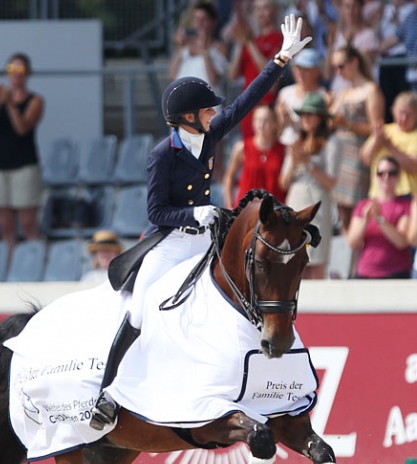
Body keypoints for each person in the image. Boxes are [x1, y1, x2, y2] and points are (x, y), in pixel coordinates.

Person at [89, 13, 312, 430]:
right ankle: (106, 392)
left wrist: (280, 60)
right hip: (171, 240)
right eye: (207, 109)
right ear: (188, 117)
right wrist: (192, 213)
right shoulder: (162, 154)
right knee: (138, 310)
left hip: (205, 238)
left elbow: (246, 102)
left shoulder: (210, 134)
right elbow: (156, 213)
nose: (215, 113)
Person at [0, 52, 44, 249]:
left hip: (23, 164)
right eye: (11, 69)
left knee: (27, 222)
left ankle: (34, 261)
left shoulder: (35, 100)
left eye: (20, 69)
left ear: (28, 73)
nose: (15, 74)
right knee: (5, 224)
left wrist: (10, 104)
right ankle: (8, 268)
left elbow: (22, 128)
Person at [279, 92, 338, 279]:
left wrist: (308, 164)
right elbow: (283, 182)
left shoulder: (331, 142)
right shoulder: (296, 142)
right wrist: (295, 163)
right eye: (303, 114)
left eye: (310, 114)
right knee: (295, 259)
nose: (305, 118)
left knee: (317, 259)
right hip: (295, 201)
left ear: (320, 117)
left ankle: (319, 306)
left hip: (317, 202)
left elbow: (331, 181)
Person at [329, 44, 385, 233]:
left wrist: (347, 124)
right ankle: (348, 256)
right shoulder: (345, 92)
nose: (338, 71)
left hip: (358, 156)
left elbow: (376, 127)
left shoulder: (371, 90)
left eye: (341, 66)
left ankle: (356, 259)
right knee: (342, 211)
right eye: (335, 67)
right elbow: (331, 120)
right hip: (341, 156)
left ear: (354, 63)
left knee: (357, 210)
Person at [347, 156, 412, 279]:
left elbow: (402, 242)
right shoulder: (363, 205)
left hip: (396, 272)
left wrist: (380, 219)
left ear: (398, 176)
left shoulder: (405, 205)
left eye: (391, 173)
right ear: (375, 176)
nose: (386, 177)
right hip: (365, 272)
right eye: (381, 173)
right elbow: (352, 243)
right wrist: (365, 221)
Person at [227, 0, 284, 139]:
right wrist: (242, 44)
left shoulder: (280, 38)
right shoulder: (252, 40)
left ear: (275, 11)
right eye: (258, 9)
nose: (261, 13)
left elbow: (270, 72)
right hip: (248, 106)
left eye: (265, 8)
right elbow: (232, 75)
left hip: (268, 106)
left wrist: (249, 43)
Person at [222, 105, 286, 209]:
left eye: (266, 120)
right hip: (246, 211)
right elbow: (229, 177)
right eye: (258, 120)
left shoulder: (284, 150)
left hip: (274, 213)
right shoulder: (242, 147)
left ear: (275, 124)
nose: (261, 124)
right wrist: (229, 206)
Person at [168, 0, 229, 106]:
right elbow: (172, 76)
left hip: (210, 110)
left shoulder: (219, 47)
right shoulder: (184, 49)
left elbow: (214, 80)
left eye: (203, 19)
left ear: (213, 22)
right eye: (196, 19)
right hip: (186, 109)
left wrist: (205, 52)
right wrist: (179, 48)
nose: (199, 24)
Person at [360, 91, 417, 200]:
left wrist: (390, 147)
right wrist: (376, 141)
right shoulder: (384, 131)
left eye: (408, 114)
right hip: (379, 196)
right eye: (401, 113)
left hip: (406, 197)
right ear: (394, 111)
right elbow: (365, 159)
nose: (403, 118)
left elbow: (413, 166)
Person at [275, 47, 328, 146]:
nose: (301, 74)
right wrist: (281, 120)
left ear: (316, 71)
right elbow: (276, 129)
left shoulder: (324, 96)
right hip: (285, 148)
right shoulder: (285, 93)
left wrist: (292, 122)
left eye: (306, 70)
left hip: (310, 151)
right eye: (298, 69)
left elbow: (322, 130)